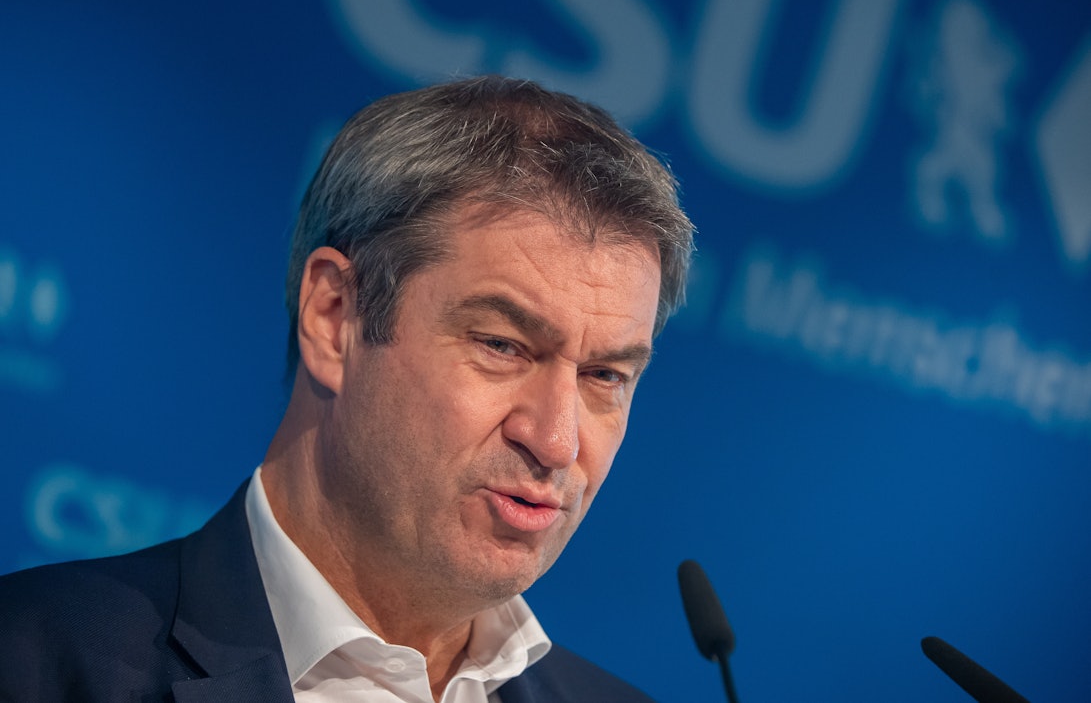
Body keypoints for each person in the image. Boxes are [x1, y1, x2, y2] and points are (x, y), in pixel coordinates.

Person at [0, 75, 695, 702]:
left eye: (604, 375)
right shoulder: (38, 663)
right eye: (501, 346)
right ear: (334, 319)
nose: (555, 440)